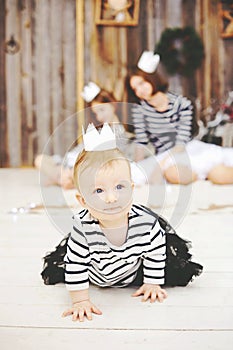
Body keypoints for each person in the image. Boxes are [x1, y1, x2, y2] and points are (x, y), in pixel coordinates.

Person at [41, 123, 203, 322]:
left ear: (132, 188)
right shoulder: (82, 230)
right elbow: (76, 266)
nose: (111, 198)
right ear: (82, 201)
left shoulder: (145, 224)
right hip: (95, 273)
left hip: (132, 272)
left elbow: (156, 251)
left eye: (120, 187)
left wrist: (152, 282)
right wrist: (80, 301)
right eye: (98, 191)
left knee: (165, 258)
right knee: (68, 263)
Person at [127, 62, 233, 185]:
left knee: (217, 173)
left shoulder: (181, 103)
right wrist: (140, 167)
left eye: (141, 83)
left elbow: (181, 142)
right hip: (164, 155)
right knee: (170, 173)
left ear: (151, 79)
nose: (140, 90)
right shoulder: (140, 110)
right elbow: (141, 142)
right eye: (135, 89)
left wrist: (160, 167)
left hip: (187, 149)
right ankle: (200, 178)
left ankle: (208, 175)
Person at [34, 87, 133, 189]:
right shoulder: (98, 130)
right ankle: (63, 178)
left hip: (87, 167)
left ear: (113, 105)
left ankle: (62, 179)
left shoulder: (119, 132)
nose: (100, 117)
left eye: (102, 110)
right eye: (96, 113)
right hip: (69, 163)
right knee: (39, 160)